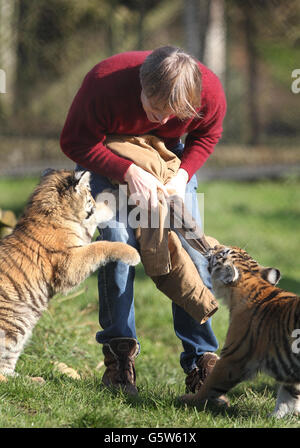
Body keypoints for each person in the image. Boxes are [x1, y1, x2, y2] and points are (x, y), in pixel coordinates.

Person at [60, 45, 227, 395]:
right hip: (109, 153)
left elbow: (206, 136)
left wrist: (182, 176)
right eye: (155, 110)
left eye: (174, 115)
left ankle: (201, 361)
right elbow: (75, 141)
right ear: (142, 86)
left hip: (169, 163)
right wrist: (128, 171)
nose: (164, 121)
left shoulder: (209, 92)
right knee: (118, 243)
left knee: (193, 249)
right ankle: (119, 359)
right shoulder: (104, 83)